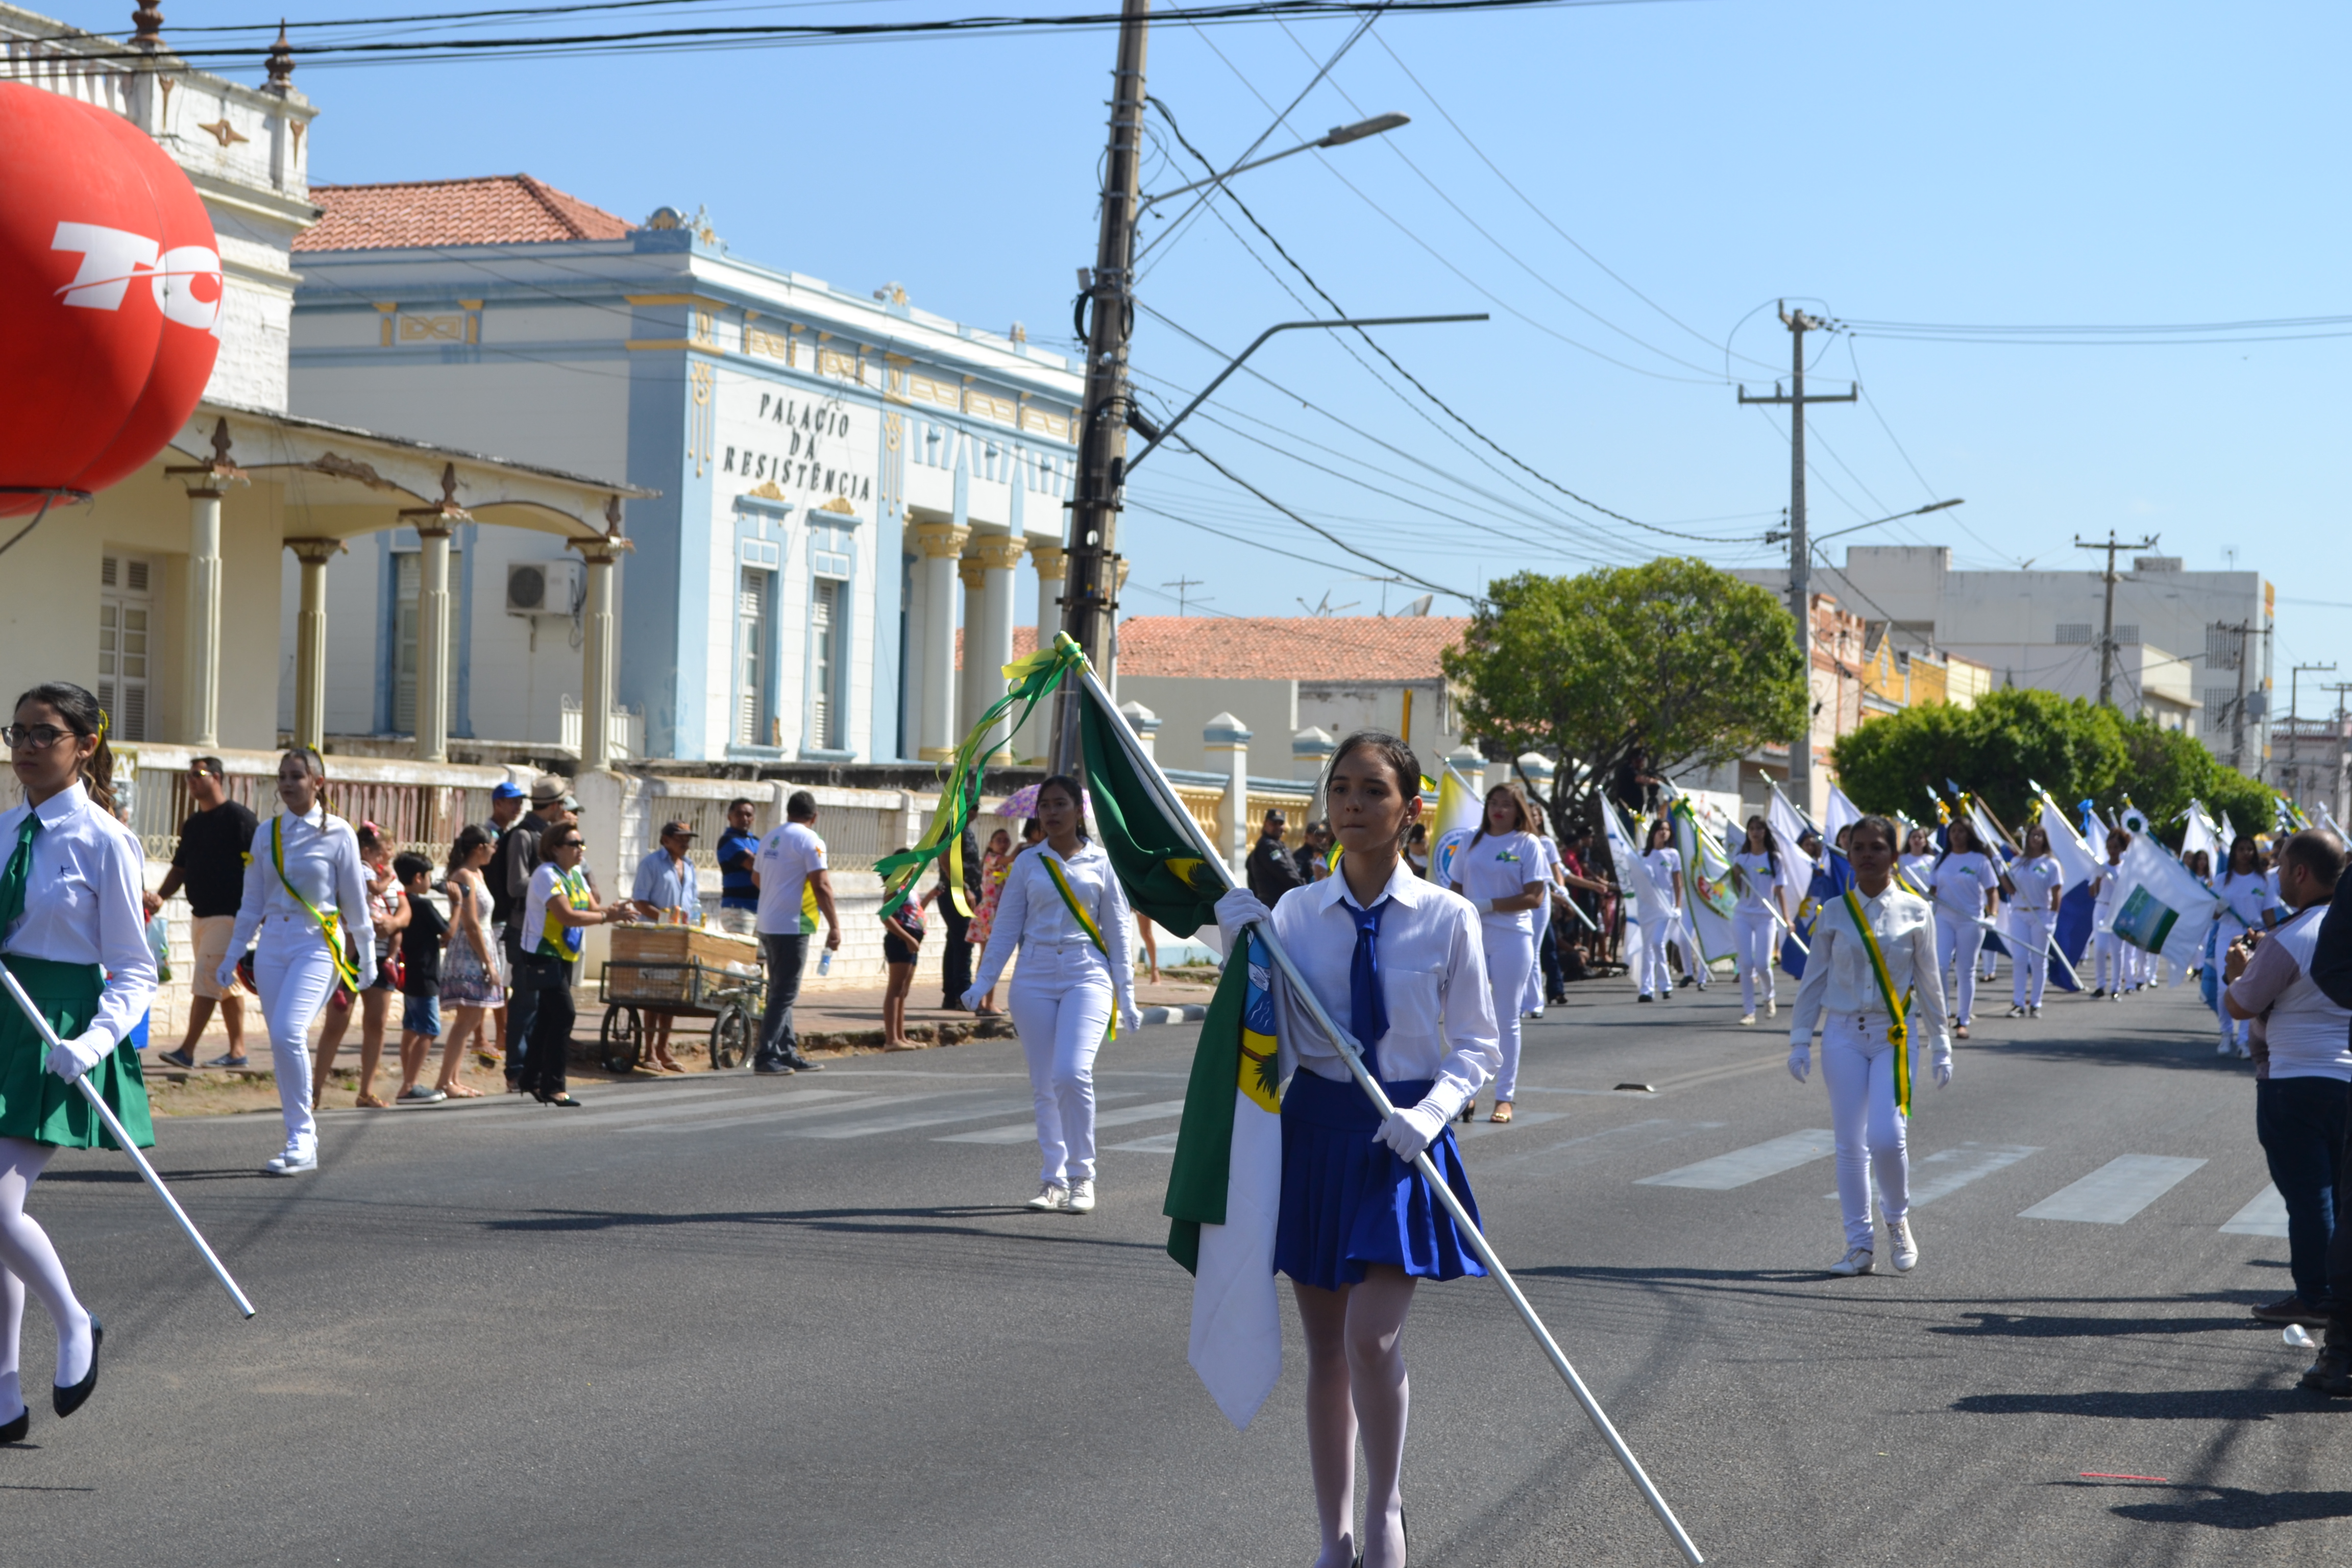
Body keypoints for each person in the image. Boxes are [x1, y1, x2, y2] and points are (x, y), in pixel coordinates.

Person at [1209, 729, 1499, 1568]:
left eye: (1372, 791)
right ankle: (1332, 1533)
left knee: (1374, 1337)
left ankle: (1385, 1510)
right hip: (1320, 1128)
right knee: (1328, 1346)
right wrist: (1241, 951)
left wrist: (1437, 1109)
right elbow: (1282, 1037)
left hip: (1402, 1139)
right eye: (1339, 789)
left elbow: (1479, 1044)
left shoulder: (1447, 916)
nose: (1351, 806)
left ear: (1411, 809)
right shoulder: (1297, 912)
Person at [0, 682, 156, 1438]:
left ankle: (74, 1324)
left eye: (44, 734)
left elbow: (134, 969)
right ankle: (3, 1391)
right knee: (0, 1219)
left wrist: (93, 1044)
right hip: (0, 1021)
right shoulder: (3, 831)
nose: (26, 747)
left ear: (85, 745)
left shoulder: (105, 839)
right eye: (17, 732)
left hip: (57, 1033)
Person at [962, 775, 1138, 1215]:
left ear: (1079, 811)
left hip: (1086, 973)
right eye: (1045, 806)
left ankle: (1083, 1177)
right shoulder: (1027, 863)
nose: (1052, 813)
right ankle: (1053, 1180)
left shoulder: (1102, 862)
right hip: (1034, 976)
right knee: (1044, 1084)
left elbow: (1118, 932)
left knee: (1072, 1073)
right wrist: (984, 981)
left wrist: (1128, 994)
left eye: (1061, 804)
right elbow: (1005, 928)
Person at [1787, 814, 1953, 1276]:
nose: (1865, 855)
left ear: (1893, 857)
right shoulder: (1835, 912)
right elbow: (1813, 981)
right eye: (1857, 847)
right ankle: (1858, 1246)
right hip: (1841, 1034)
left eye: (1876, 847)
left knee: (1887, 1136)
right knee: (1849, 1145)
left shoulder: (1917, 910)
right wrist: (1800, 1039)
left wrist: (1943, 1042)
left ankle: (1897, 1220)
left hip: (1893, 1037)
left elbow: (1931, 983)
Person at [217, 749, 372, 1175]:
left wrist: (369, 952)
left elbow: (355, 902)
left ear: (318, 782)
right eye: (282, 776)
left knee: (288, 1031)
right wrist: (233, 953)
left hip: (316, 941)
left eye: (297, 776)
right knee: (283, 1043)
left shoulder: (339, 833)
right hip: (272, 943)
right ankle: (294, 1138)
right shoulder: (267, 833)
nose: (287, 784)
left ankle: (304, 1136)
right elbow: (251, 902)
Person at [2222, 829, 2350, 1328]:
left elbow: (2241, 1003)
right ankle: (2339, 1294)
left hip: (2294, 1081)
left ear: (2301, 873)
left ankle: (2316, 1298)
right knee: (2341, 1196)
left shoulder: (2294, 936)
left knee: (2308, 1194)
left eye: (2281, 865)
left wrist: (2239, 970)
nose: (2274, 873)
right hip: (2345, 1080)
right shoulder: (2342, 929)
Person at [148, 755, 257, 1071]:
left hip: (230, 915)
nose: (193, 780)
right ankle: (238, 1052)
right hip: (201, 916)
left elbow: (263, 866)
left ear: (218, 777)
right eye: (189, 776)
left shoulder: (239, 818)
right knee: (226, 984)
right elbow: (180, 868)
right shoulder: (193, 824)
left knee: (208, 979)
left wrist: (259, 908)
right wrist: (160, 896)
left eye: (199, 774)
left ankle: (187, 1051)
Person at [514, 824, 633, 1106]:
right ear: (555, 848)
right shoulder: (546, 875)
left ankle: (530, 1078)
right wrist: (607, 919)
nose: (580, 848)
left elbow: (593, 909)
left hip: (564, 953)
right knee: (564, 1014)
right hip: (542, 953)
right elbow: (567, 916)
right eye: (573, 843)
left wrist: (615, 911)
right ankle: (554, 1086)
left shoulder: (576, 874)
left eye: (582, 843)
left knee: (547, 1017)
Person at [1447, 784, 1545, 1123]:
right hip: (1473, 935)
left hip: (1512, 937)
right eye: (1493, 803)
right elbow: (1455, 888)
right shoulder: (1471, 841)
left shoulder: (1527, 844)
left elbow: (1535, 897)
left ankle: (1505, 1097)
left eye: (1506, 804)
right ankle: (1466, 1093)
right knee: (1467, 1016)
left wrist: (1489, 905)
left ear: (1518, 810)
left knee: (1506, 1019)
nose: (1499, 809)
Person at [315, 822, 409, 1108]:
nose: (389, 855)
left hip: (383, 956)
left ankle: (366, 1091)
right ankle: (314, 1091)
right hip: (352, 952)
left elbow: (405, 912)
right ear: (368, 851)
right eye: (385, 850)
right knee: (336, 1023)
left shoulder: (393, 879)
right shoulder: (352, 872)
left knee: (376, 1024)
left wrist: (392, 923)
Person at [753, 790, 840, 1074]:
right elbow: (822, 885)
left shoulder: (769, 837)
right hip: (792, 925)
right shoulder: (810, 840)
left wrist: (777, 894)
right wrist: (835, 925)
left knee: (780, 991)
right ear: (814, 817)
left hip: (767, 923)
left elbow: (756, 877)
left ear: (788, 813)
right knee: (785, 993)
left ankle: (786, 1051)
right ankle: (765, 1054)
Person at [494, 778, 567, 1091]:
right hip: (523, 930)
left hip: (544, 932)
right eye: (561, 804)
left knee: (542, 1003)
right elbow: (515, 885)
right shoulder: (524, 837)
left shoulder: (547, 837)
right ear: (554, 806)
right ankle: (517, 1071)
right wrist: (548, 884)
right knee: (525, 1001)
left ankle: (532, 1071)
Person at [629, 819, 703, 1073]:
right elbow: (640, 901)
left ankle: (663, 1047)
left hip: (680, 938)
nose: (685, 842)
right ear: (665, 840)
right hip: (654, 936)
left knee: (672, 992)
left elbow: (694, 902)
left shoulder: (690, 867)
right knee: (654, 993)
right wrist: (665, 918)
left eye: (688, 838)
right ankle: (648, 1049)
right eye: (680, 837)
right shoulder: (651, 864)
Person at [435, 825, 503, 1091]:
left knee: (473, 1019)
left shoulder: (478, 874)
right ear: (479, 848)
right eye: (492, 846)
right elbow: (472, 923)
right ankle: (445, 1081)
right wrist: (487, 962)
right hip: (470, 950)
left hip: (482, 946)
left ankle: (454, 1079)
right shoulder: (464, 875)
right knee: (466, 1020)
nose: (494, 850)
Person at [1926, 818, 1999, 1040]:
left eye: (1961, 831)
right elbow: (1932, 889)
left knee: (1965, 971)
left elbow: (1992, 891)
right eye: (1953, 831)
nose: (1956, 835)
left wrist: (1992, 915)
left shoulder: (1980, 860)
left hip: (1971, 922)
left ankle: (1963, 1020)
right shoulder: (1941, 859)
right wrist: (1928, 898)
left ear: (1969, 835)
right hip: (1944, 919)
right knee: (1939, 966)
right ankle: (1944, 1014)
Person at [390, 853, 451, 1104]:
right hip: (426, 975)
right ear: (418, 878)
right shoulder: (424, 905)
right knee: (430, 1029)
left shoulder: (401, 902)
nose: (431, 881)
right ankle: (408, 1086)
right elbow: (450, 932)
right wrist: (457, 904)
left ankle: (409, 1081)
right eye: (428, 877)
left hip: (410, 974)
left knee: (411, 1029)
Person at [2215, 835, 2275, 1057]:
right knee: (2225, 987)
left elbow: (2268, 912)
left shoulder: (2262, 881)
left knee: (2248, 985)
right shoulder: (2222, 880)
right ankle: (2225, 1035)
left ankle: (2244, 1040)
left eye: (2250, 849)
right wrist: (2220, 906)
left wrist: (2273, 936)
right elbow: (2213, 913)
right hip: (2227, 934)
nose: (2246, 853)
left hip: (2253, 935)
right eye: (2241, 849)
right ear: (2234, 852)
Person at [1730, 815, 1788, 1025]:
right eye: (1752, 828)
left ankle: (1769, 996)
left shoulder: (1775, 859)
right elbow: (1735, 890)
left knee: (1763, 965)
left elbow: (1780, 890)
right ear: (1747, 832)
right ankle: (1749, 1011)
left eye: (1759, 829)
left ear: (1765, 832)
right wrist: (1735, 874)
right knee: (1746, 964)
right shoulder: (1741, 859)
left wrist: (1787, 919)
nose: (1755, 832)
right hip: (1743, 915)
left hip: (1766, 916)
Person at [2002, 825, 2064, 1018]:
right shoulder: (2018, 862)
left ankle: (2036, 1003)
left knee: (2039, 961)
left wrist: (2052, 918)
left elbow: (2057, 893)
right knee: (2020, 959)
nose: (2036, 839)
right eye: (2033, 835)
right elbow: (2010, 890)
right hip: (2020, 914)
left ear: (2044, 840)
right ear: (2028, 838)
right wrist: (2001, 870)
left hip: (2041, 915)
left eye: (2040, 836)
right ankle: (2018, 1003)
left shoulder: (2051, 864)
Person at [1632, 816, 1684, 1003]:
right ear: (1653, 832)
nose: (1664, 833)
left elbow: (1678, 883)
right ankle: (1646, 989)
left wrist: (1678, 906)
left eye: (1667, 830)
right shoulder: (1642, 856)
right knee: (1648, 947)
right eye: (1661, 829)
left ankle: (1665, 984)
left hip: (1666, 907)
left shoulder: (1673, 855)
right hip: (1647, 908)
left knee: (1657, 943)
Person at [967, 827, 1015, 1016]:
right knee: (990, 958)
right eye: (1000, 840)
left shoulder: (1003, 865)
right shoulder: (992, 860)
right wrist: (1020, 847)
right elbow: (1010, 858)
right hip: (990, 913)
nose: (1004, 844)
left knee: (989, 958)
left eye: (1007, 840)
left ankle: (984, 1002)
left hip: (996, 913)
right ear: (991, 844)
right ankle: (985, 1003)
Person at [935, 827, 981, 1011]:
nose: (974, 812)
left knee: (955, 943)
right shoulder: (950, 829)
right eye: (971, 807)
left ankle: (951, 996)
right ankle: (963, 996)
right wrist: (965, 888)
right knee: (964, 942)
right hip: (956, 892)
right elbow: (946, 861)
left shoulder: (968, 831)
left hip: (968, 891)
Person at [882, 872, 925, 1051]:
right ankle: (891, 1039)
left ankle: (901, 1036)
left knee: (903, 990)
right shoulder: (893, 888)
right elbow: (886, 916)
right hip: (900, 941)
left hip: (911, 942)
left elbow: (915, 913)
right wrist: (907, 938)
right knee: (895, 988)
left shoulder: (910, 888)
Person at [714, 797, 762, 938]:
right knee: (741, 957)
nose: (744, 818)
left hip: (760, 908)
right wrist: (759, 859)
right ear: (730, 817)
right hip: (739, 908)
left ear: (753, 819)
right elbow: (753, 864)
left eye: (748, 815)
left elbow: (769, 865)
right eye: (739, 814)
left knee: (759, 958)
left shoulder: (757, 841)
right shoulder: (728, 841)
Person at [1247, 809, 1304, 906]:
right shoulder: (1268, 846)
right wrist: (1304, 887)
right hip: (1273, 903)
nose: (1278, 827)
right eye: (1274, 823)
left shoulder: (1278, 844)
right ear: (1265, 824)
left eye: (1281, 823)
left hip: (1282, 902)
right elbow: (1286, 873)